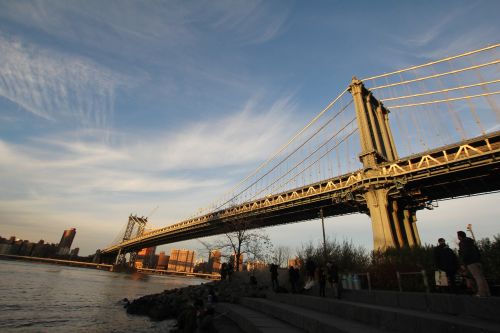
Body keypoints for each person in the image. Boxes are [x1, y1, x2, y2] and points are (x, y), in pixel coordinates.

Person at [457, 230, 491, 297]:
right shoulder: (471, 242)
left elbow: (465, 253)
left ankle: (481, 293)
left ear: (460, 236)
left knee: (477, 277)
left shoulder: (463, 243)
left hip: (470, 262)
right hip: (477, 261)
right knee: (482, 277)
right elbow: (478, 252)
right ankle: (487, 292)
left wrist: (463, 262)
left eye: (458, 236)